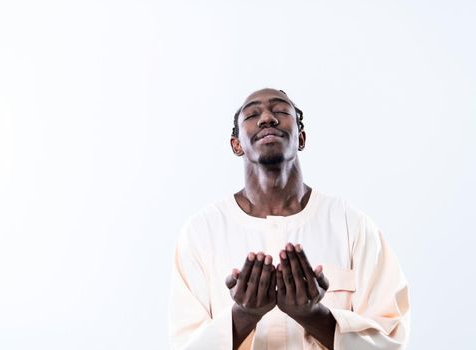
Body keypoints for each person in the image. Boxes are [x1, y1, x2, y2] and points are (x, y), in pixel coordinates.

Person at [168, 88, 410, 349]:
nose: (267, 118)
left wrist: (314, 315)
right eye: (251, 114)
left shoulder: (352, 225)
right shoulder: (202, 232)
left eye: (281, 111)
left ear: (301, 138)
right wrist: (244, 315)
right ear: (236, 145)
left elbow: (391, 340)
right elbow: (185, 344)